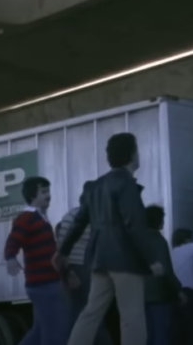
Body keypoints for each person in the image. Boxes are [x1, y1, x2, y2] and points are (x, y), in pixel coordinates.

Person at [54, 133, 162, 345]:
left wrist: (63, 251)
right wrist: (151, 259)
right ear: (132, 154)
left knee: (91, 313)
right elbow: (134, 226)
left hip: (98, 259)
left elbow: (79, 222)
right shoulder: (127, 184)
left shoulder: (95, 186)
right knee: (132, 318)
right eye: (137, 150)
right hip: (125, 261)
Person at [4, 176, 68, 345]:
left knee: (39, 332)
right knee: (54, 333)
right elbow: (13, 240)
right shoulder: (27, 218)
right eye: (44, 192)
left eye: (49, 191)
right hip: (43, 283)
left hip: (41, 283)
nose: (49, 195)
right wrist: (10, 257)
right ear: (33, 196)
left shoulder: (40, 218)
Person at [55, 206, 112, 345]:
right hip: (88, 268)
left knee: (83, 315)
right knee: (92, 315)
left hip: (78, 268)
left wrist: (66, 272)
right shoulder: (98, 214)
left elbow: (62, 247)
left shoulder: (72, 216)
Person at [142, 205, 181, 345]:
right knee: (161, 334)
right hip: (159, 294)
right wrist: (179, 290)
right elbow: (166, 270)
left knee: (147, 334)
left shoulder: (137, 239)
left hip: (140, 293)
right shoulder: (159, 241)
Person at [170, 229, 193, 345]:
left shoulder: (172, 252)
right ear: (186, 239)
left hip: (174, 292)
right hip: (189, 292)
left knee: (178, 329)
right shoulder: (190, 247)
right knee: (192, 328)